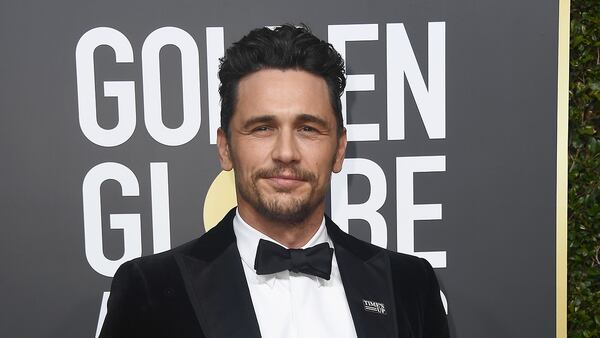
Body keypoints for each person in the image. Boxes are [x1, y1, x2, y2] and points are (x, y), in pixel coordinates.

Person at [99, 24, 449, 338]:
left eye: (308, 128)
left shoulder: (409, 283)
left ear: (339, 149)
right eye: (262, 128)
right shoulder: (151, 289)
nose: (286, 152)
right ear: (225, 148)